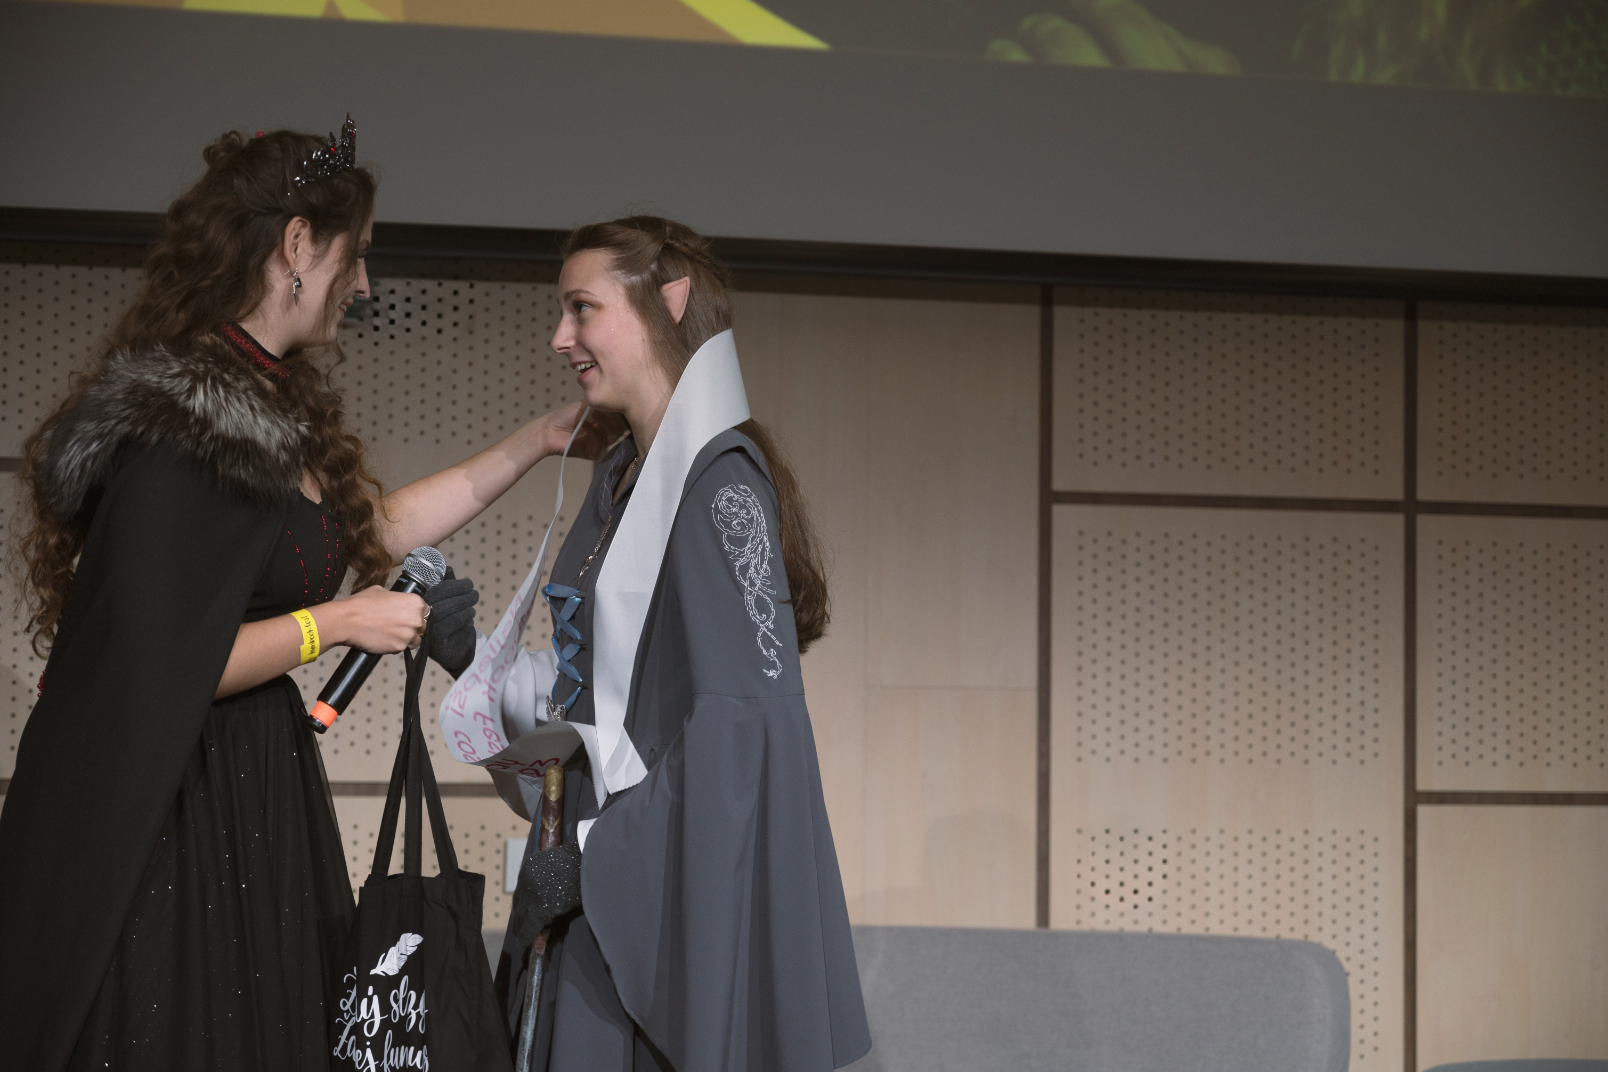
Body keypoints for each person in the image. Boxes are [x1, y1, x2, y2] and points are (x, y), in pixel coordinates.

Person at [0, 119, 611, 1072]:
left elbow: (365, 531)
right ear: (296, 245)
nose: (363, 284)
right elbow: (162, 664)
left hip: (243, 790)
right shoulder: (183, 426)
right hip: (171, 818)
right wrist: (339, 623)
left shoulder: (259, 400)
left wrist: (537, 441)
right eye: (354, 256)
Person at [447, 216, 871, 1071]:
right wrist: (470, 656)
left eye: (582, 309)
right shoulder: (620, 476)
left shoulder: (719, 483)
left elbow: (741, 726)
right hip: (599, 876)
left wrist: (593, 855)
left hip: (653, 894)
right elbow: (597, 699)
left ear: (668, 302)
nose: (559, 336)